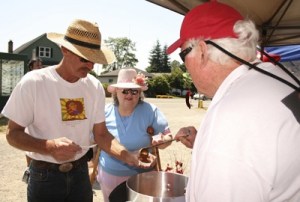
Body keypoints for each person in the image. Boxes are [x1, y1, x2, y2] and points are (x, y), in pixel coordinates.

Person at [1, 19, 156, 202]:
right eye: (85, 58)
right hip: (44, 176)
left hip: (80, 174)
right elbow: (12, 134)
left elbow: (102, 135)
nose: (90, 66)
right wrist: (48, 147)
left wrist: (130, 157)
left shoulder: (94, 86)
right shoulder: (33, 82)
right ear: (64, 50)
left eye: (94, 60)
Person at [167, 2, 300, 202]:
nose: (185, 66)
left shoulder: (232, 119)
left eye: (183, 54)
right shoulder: (279, 78)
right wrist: (205, 144)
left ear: (202, 51)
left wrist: (216, 147)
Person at [96, 68, 173, 201]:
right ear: (116, 92)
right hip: (110, 175)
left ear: (140, 93)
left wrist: (161, 141)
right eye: (125, 91)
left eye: (134, 91)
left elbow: (168, 136)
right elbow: (96, 139)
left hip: (143, 177)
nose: (129, 95)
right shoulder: (104, 112)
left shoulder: (150, 111)